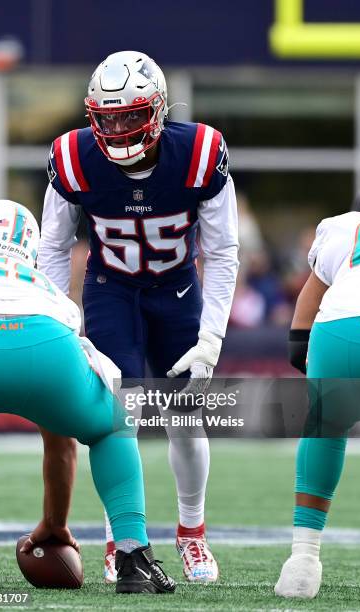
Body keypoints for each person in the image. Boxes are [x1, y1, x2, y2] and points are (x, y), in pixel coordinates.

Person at [37, 50, 239, 583]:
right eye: (109, 117)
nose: (120, 127)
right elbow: (53, 248)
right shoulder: (73, 156)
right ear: (92, 117)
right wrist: (65, 322)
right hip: (111, 288)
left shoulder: (198, 151)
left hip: (176, 288)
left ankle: (192, 535)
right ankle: (121, 540)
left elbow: (222, 252)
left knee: (186, 419)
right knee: (113, 419)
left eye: (132, 114)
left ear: (160, 109)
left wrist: (212, 337)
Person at [0, 199, 176, 596]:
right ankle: (132, 555)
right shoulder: (42, 284)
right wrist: (55, 524)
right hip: (46, 341)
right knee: (113, 423)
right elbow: (61, 445)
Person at [275, 210, 360, 598]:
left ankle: (303, 562)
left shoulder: (344, 225)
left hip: (339, 324)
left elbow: (310, 297)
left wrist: (302, 350)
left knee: (324, 429)